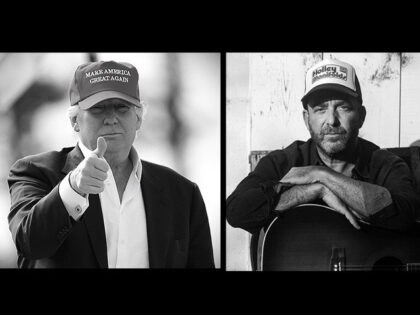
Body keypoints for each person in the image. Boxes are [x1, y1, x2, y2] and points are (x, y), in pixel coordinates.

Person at [8, 60, 214, 268]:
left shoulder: (183, 193)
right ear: (75, 121)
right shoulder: (34, 172)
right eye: (98, 109)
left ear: (139, 118)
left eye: (122, 108)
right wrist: (73, 188)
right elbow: (29, 243)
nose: (111, 118)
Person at [227, 58, 420, 235]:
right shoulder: (283, 161)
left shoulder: (385, 163)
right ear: (307, 119)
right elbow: (236, 211)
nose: (332, 121)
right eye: (320, 109)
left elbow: (406, 214)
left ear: (361, 116)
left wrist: (321, 174)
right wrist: (314, 190)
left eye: (343, 107)